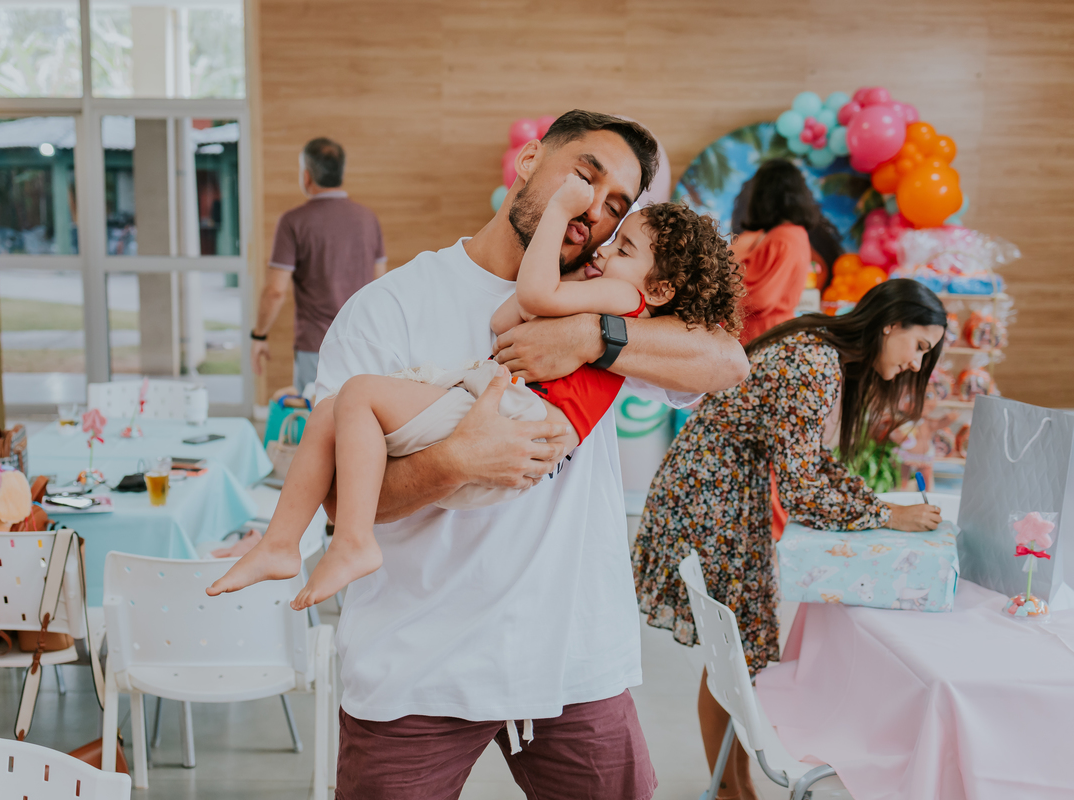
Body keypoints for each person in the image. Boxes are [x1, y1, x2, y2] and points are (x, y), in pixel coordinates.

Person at [247, 110, 746, 800]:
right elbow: (338, 498)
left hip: (574, 664)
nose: (593, 210)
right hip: (415, 669)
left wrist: (592, 340)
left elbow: (728, 362)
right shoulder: (388, 307)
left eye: (614, 206)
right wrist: (458, 460)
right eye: (583, 176)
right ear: (530, 159)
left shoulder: (612, 309)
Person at [206, 180, 744, 610]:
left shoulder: (625, 299)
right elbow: (507, 315)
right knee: (333, 412)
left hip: (516, 417)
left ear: (659, 290)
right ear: (530, 160)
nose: (605, 248)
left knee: (359, 397)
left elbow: (531, 296)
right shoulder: (602, 295)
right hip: (497, 400)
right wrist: (563, 297)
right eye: (581, 180)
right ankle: (280, 544)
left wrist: (559, 211)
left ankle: (350, 542)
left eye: (623, 246)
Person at [631, 278, 947, 800]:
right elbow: (802, 491)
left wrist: (874, 505)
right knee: (733, 654)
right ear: (890, 324)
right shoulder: (816, 363)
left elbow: (811, 461)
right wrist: (883, 514)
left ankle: (736, 786)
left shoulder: (820, 350)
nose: (917, 363)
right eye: (918, 346)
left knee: (734, 654)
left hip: (721, 484)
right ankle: (735, 790)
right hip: (712, 492)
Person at [250, 137, 387, 394]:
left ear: (307, 176)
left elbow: (274, 292)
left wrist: (259, 335)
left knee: (316, 423)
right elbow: (380, 284)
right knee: (355, 421)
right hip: (363, 344)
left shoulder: (293, 222)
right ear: (341, 173)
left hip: (316, 347)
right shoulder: (368, 219)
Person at [730, 159, 823, 344]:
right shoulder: (793, 234)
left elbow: (761, 298)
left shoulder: (782, 238)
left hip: (760, 336)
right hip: (769, 332)